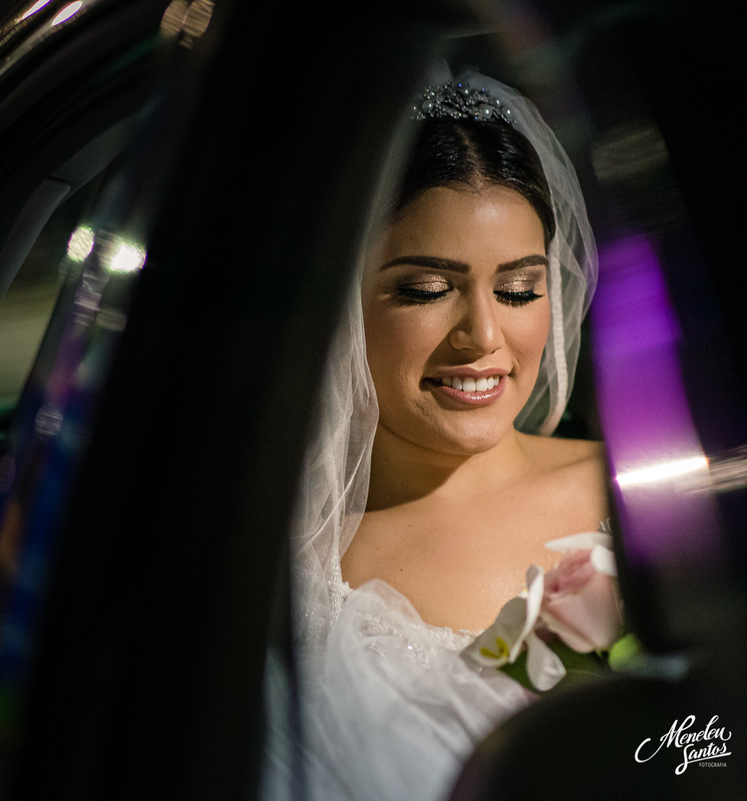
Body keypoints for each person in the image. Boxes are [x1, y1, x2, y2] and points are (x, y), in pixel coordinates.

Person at [266, 70, 607, 801]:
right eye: (426, 290)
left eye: (519, 289)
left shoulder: (640, 493)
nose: (483, 336)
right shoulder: (276, 555)